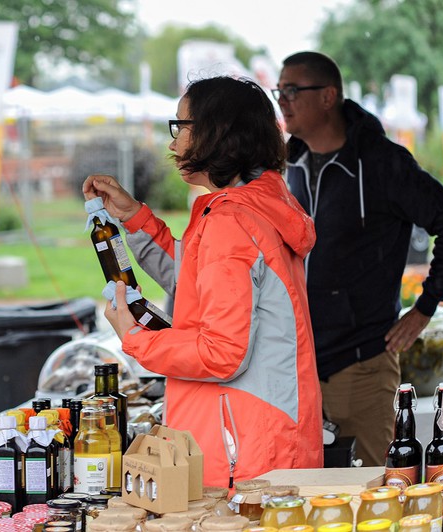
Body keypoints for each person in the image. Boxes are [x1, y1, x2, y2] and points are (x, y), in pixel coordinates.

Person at [83, 76, 323, 486]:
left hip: (243, 450)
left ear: (217, 132)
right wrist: (135, 218)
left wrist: (135, 337)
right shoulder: (253, 204)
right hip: (259, 434)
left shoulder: (231, 220)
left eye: (181, 127)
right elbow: (196, 279)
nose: (173, 144)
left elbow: (221, 353)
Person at [275, 51, 443, 466]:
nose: (282, 100)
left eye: (292, 90)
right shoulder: (286, 163)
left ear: (327, 96)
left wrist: (425, 307)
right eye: (278, 91)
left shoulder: (382, 163)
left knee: (375, 500)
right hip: (298, 370)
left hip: (363, 369)